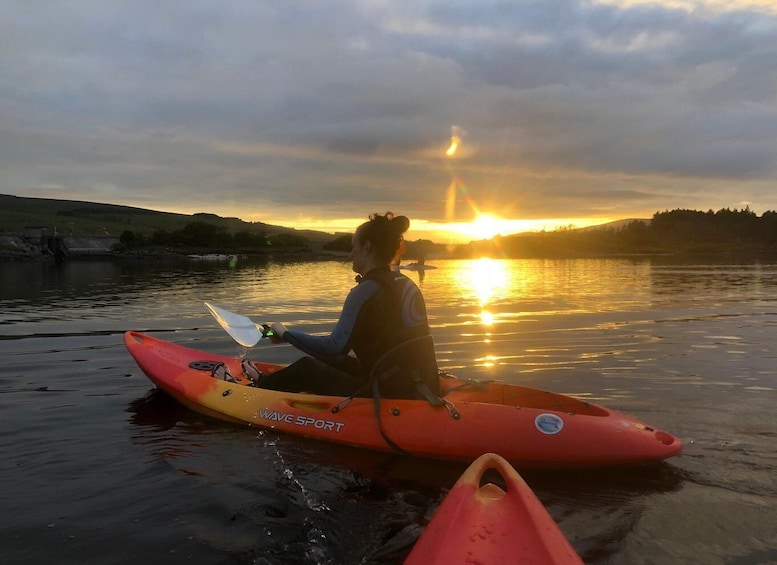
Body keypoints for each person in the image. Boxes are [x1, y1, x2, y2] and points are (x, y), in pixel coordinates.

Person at [251, 212, 438, 398]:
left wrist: (285, 333)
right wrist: (288, 337)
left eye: (353, 246)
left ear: (367, 246)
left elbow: (334, 347)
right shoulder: (406, 284)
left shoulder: (365, 291)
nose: (350, 254)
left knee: (307, 367)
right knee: (334, 361)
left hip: (387, 393)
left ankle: (256, 388)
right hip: (419, 384)